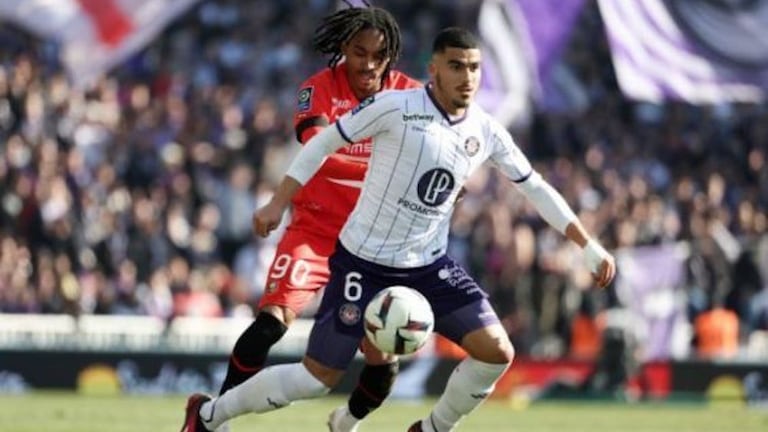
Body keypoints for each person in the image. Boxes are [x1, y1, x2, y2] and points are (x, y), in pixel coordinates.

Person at [181, 27, 616, 432]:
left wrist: (588, 245)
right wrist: (279, 201)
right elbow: (325, 141)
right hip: (362, 265)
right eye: (455, 66)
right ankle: (208, 414)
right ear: (434, 68)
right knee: (318, 378)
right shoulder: (396, 107)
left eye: (474, 67)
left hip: (428, 267)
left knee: (497, 352)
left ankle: (430, 429)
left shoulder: (485, 130)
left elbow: (535, 188)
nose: (467, 77)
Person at [205, 4, 421, 432]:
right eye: (360, 53)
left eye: (379, 56)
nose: (369, 64)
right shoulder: (318, 88)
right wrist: (387, 166)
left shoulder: (411, 95)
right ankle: (219, 415)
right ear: (344, 49)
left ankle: (346, 422)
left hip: (376, 243)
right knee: (271, 324)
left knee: (383, 358)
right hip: (317, 230)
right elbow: (316, 148)